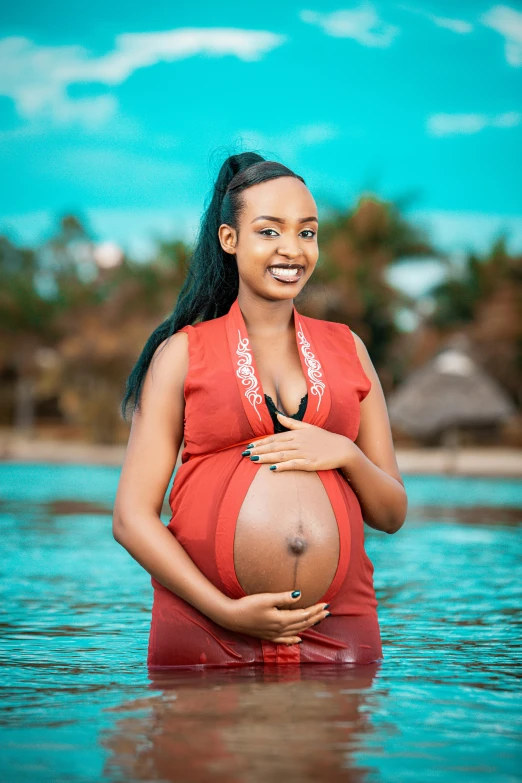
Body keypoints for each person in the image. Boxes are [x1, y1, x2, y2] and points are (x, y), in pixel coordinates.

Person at [113, 151, 408, 668]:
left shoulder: (349, 349)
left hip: (337, 624)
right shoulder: (181, 354)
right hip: (206, 625)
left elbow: (392, 514)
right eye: (269, 231)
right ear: (230, 240)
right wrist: (224, 610)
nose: (292, 250)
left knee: (330, 750)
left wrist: (343, 452)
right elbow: (132, 518)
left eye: (307, 232)